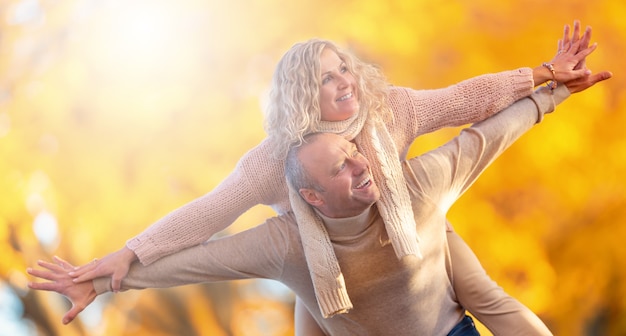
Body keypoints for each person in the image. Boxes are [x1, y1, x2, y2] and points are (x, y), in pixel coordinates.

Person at [58, 21, 609, 334]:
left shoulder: (388, 108)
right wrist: (130, 254)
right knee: (323, 315)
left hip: (414, 227)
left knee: (484, 296)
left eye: (344, 67)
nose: (345, 82)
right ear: (303, 95)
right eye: (327, 79)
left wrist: (544, 77)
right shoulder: (274, 162)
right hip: (324, 263)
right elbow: (210, 214)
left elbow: (467, 102)